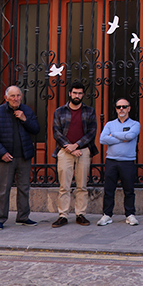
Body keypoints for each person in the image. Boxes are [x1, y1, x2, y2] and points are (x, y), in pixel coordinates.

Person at [0, 86, 39, 229]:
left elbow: (36, 129)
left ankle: (23, 217)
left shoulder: (27, 110)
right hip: (5, 158)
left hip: (24, 157)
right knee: (3, 189)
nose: (16, 99)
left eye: (18, 96)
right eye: (13, 96)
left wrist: (24, 119)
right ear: (6, 98)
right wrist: (2, 153)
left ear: (21, 96)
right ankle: (0, 219)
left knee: (24, 188)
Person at [51, 81, 98, 228]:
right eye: (75, 93)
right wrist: (69, 147)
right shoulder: (59, 111)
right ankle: (63, 215)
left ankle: (80, 214)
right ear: (70, 93)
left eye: (80, 93)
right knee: (64, 186)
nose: (77, 96)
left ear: (83, 95)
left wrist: (76, 145)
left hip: (83, 150)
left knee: (82, 185)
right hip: (65, 151)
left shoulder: (89, 111)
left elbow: (91, 133)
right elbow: (56, 132)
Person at [98, 98, 141, 226]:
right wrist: (122, 138)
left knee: (129, 190)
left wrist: (113, 135)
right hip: (111, 161)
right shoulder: (109, 124)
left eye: (124, 106)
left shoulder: (135, 124)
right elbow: (102, 139)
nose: (121, 109)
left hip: (127, 162)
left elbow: (130, 136)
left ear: (129, 108)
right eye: (118, 107)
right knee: (109, 189)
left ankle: (130, 215)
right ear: (116, 109)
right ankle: (107, 215)